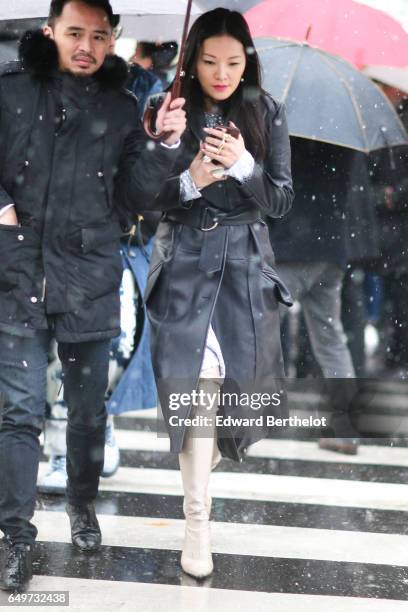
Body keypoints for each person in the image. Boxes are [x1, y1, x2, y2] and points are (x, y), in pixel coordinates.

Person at [0, 0, 186, 592]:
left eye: (99, 35)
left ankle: (81, 502)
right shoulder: (9, 89)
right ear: (49, 30)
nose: (86, 45)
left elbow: (136, 197)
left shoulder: (123, 106)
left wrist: (160, 145)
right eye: (74, 32)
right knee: (18, 411)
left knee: (86, 411)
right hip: (16, 271)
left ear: (113, 40)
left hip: (89, 274)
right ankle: (15, 536)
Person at [145, 8, 293, 579]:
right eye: (209, 61)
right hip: (183, 259)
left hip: (244, 267)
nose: (222, 73)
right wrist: (189, 179)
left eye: (233, 62)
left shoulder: (266, 111)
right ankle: (197, 521)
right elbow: (143, 194)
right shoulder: (167, 108)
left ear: (247, 60)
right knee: (195, 390)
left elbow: (280, 201)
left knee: (231, 399)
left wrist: (244, 164)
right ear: (192, 59)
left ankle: (201, 500)